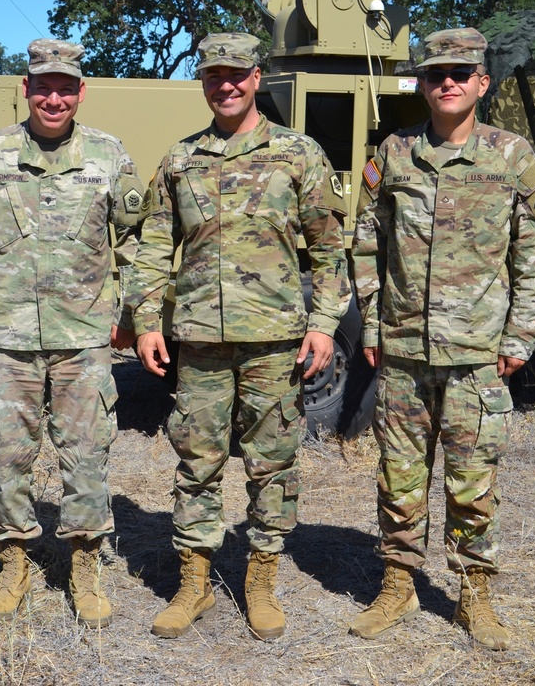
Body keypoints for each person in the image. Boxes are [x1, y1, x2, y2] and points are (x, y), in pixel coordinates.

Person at [125, 32, 351, 641]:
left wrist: (325, 324)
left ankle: (261, 582)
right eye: (213, 75)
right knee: (196, 460)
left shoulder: (298, 154)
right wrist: (147, 320)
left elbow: (331, 250)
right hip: (198, 340)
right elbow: (151, 247)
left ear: (257, 77)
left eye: (236, 74)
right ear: (203, 82)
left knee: (271, 463)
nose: (225, 85)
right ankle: (194, 583)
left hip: (274, 340)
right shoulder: (180, 160)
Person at [348, 28, 535, 650]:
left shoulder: (512, 158)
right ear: (421, 82)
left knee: (473, 478)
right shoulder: (393, 154)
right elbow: (364, 242)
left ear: (481, 83)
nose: (448, 82)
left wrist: (520, 336)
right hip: (405, 352)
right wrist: (375, 319)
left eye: (461, 73)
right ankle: (398, 581)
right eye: (437, 72)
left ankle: (475, 592)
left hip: (477, 356)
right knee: (399, 476)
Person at [0, 39, 145, 628]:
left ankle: (84, 566)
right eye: (42, 86)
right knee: (9, 453)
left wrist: (130, 314)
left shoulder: (109, 156)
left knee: (86, 455)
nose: (53, 97)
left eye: (65, 87)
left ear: (81, 92)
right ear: (26, 90)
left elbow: (137, 244)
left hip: (84, 336)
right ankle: (15, 565)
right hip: (6, 338)